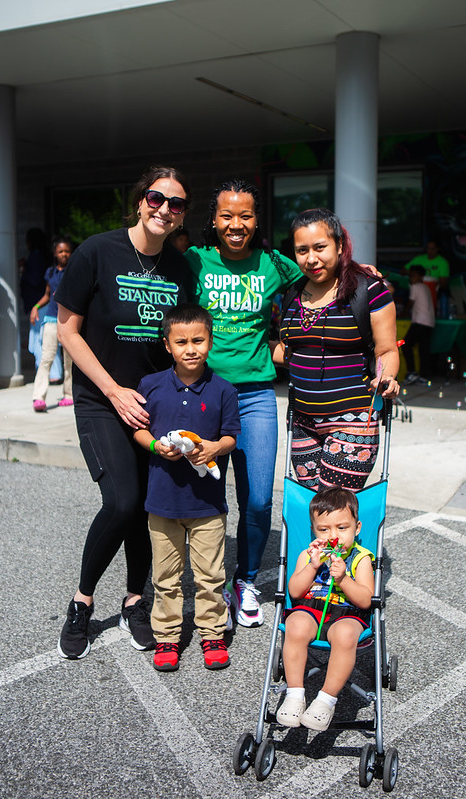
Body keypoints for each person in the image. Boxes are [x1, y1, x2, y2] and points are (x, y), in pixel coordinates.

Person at [55, 165, 191, 660]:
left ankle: (136, 600)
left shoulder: (182, 268)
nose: (164, 209)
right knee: (121, 503)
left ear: (181, 216)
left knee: (146, 507)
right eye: (157, 198)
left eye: (175, 204)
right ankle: (82, 600)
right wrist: (113, 390)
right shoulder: (97, 251)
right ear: (140, 200)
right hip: (102, 399)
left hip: (153, 403)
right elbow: (68, 330)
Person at [184, 179, 303, 628]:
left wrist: (361, 271)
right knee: (204, 497)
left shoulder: (274, 264)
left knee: (256, 499)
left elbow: (322, 276)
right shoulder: (194, 261)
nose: (237, 224)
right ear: (213, 221)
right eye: (228, 216)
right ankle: (207, 584)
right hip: (203, 394)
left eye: (246, 215)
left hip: (255, 396)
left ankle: (246, 579)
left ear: (257, 220)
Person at [133, 304, 240, 672]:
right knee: (165, 578)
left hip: (208, 506)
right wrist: (154, 445)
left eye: (198, 340)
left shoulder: (224, 389)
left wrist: (213, 447)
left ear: (210, 341)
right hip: (162, 502)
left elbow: (230, 437)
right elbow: (138, 428)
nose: (190, 348)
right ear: (167, 345)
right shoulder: (151, 386)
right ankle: (167, 637)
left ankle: (212, 632)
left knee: (210, 576)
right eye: (181, 342)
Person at [273, 208, 399, 491]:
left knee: (332, 510)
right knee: (314, 513)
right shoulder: (292, 292)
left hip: (353, 420)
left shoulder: (368, 288)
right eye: (302, 250)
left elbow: (387, 350)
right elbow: (289, 350)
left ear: (340, 245)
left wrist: (386, 377)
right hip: (303, 422)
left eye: (320, 247)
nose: (311, 259)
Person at [276, 486, 374, 731]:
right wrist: (312, 566)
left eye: (342, 528)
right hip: (312, 608)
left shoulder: (361, 558)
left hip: (347, 612)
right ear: (314, 530)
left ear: (357, 528)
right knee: (295, 624)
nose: (334, 536)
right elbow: (295, 592)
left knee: (345, 634)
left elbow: (365, 599)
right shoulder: (308, 555)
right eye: (324, 529)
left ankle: (325, 700)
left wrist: (343, 579)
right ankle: (295, 695)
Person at [31, 237, 74, 411]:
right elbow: (48, 295)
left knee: (69, 360)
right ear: (55, 254)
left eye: (67, 251)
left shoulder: (75, 270)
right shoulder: (50, 272)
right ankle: (38, 397)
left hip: (69, 320)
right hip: (51, 318)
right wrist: (35, 307)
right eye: (60, 251)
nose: (64, 254)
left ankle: (69, 394)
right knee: (46, 357)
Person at [402, 264, 435, 385]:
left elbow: (410, 303)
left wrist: (404, 312)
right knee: (424, 349)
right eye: (410, 276)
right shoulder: (426, 288)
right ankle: (425, 376)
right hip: (429, 322)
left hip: (420, 322)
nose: (411, 278)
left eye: (414, 276)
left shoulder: (415, 287)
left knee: (406, 345)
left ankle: (412, 372)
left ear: (421, 277)